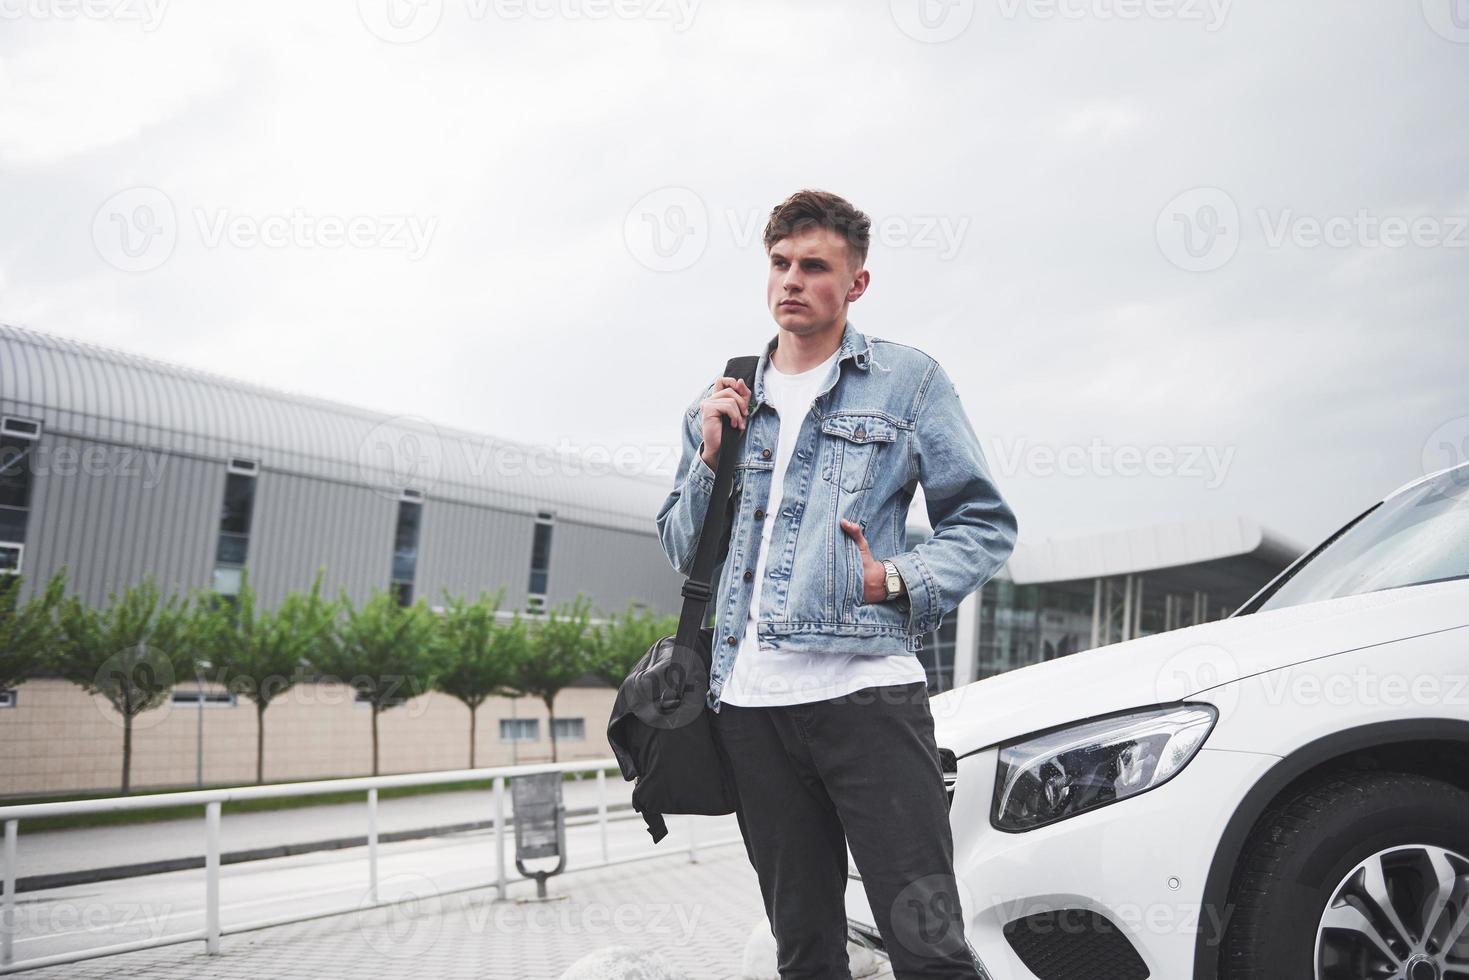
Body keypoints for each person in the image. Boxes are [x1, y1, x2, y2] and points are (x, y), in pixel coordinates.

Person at [654, 188, 1018, 979]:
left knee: (927, 944)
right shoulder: (724, 396)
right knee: (805, 950)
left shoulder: (907, 383)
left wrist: (897, 577)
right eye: (779, 263)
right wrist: (709, 458)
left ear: (855, 283)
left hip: (869, 701)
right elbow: (685, 551)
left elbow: (984, 522)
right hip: (749, 708)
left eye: (813, 266)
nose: (790, 279)